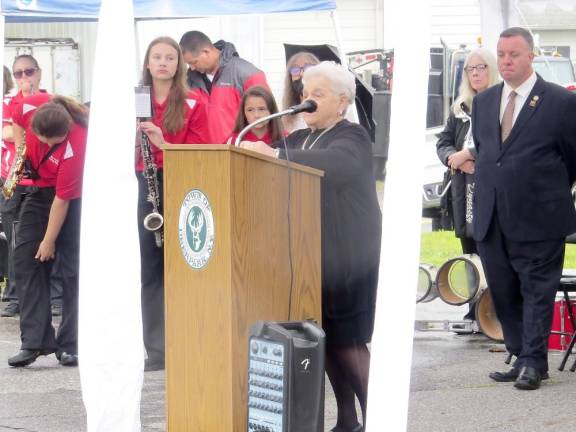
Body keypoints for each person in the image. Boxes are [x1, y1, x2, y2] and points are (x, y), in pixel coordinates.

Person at [241, 61, 381, 432]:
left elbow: (339, 165)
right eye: (305, 93)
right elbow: (265, 155)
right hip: (312, 258)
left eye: (317, 94)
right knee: (326, 341)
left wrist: (277, 156)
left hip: (351, 255)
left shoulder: (353, 136)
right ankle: (348, 419)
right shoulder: (300, 139)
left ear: (342, 101)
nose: (307, 100)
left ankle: (380, 419)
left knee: (348, 342)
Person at [473, 27, 576, 390]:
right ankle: (519, 354)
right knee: (503, 289)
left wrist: (546, 189)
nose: (505, 61)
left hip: (539, 215)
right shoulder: (484, 103)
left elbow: (571, 158)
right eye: (501, 54)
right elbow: (488, 155)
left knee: (536, 289)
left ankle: (535, 362)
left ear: (531, 55)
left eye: (513, 54)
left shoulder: (560, 102)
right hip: (492, 216)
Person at [137, 36, 209, 372]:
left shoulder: (194, 101)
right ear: (148, 63)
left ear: (179, 64)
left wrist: (162, 142)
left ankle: (188, 338)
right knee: (150, 269)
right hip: (144, 185)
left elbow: (200, 153)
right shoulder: (135, 100)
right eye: (157, 57)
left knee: (182, 266)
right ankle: (156, 348)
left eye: (170, 57)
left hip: (180, 183)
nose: (163, 63)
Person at [7, 95, 88, 368]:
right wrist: (21, 150)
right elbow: (17, 120)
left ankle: (71, 344)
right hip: (37, 192)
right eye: (40, 138)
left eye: (51, 142)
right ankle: (35, 341)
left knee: (72, 270)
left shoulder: (76, 143)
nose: (44, 145)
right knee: (25, 260)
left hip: (71, 200)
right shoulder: (35, 108)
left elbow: (62, 201)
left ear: (64, 134)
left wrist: (48, 241)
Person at [436, 48, 499, 322]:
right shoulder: (459, 107)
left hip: (488, 189)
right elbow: (444, 142)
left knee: (490, 249)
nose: (475, 73)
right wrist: (454, 158)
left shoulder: (501, 102)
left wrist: (470, 155)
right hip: (462, 189)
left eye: (481, 67)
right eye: (470, 69)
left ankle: (495, 309)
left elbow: (500, 143)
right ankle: (474, 307)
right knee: (469, 248)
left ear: (492, 69)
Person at [0, 55, 46, 318]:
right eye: (18, 73)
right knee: (14, 240)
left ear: (38, 73)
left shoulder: (49, 99)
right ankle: (15, 294)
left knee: (47, 237)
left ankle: (54, 294)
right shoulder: (8, 101)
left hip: (43, 177)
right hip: (13, 178)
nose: (24, 77)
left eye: (28, 71)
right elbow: (6, 133)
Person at [179, 31, 269, 144]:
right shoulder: (188, 81)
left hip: (239, 154)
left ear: (206, 51)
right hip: (202, 157)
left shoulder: (248, 74)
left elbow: (266, 119)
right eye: (188, 64)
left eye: (194, 62)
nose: (191, 68)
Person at [282, 51, 320, 133]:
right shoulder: (287, 113)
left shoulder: (330, 105)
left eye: (308, 68)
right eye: (295, 70)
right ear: (290, 77)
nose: (302, 73)